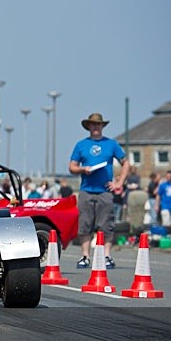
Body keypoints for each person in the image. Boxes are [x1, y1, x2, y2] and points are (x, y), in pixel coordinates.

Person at [69, 112, 129, 269]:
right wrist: (83, 169)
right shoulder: (81, 145)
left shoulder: (111, 144)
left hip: (105, 190)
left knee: (106, 224)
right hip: (86, 189)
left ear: (102, 126)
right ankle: (85, 256)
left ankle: (107, 256)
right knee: (85, 224)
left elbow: (125, 162)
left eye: (98, 124)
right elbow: (72, 167)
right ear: (88, 126)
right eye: (93, 124)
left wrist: (119, 182)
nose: (96, 127)